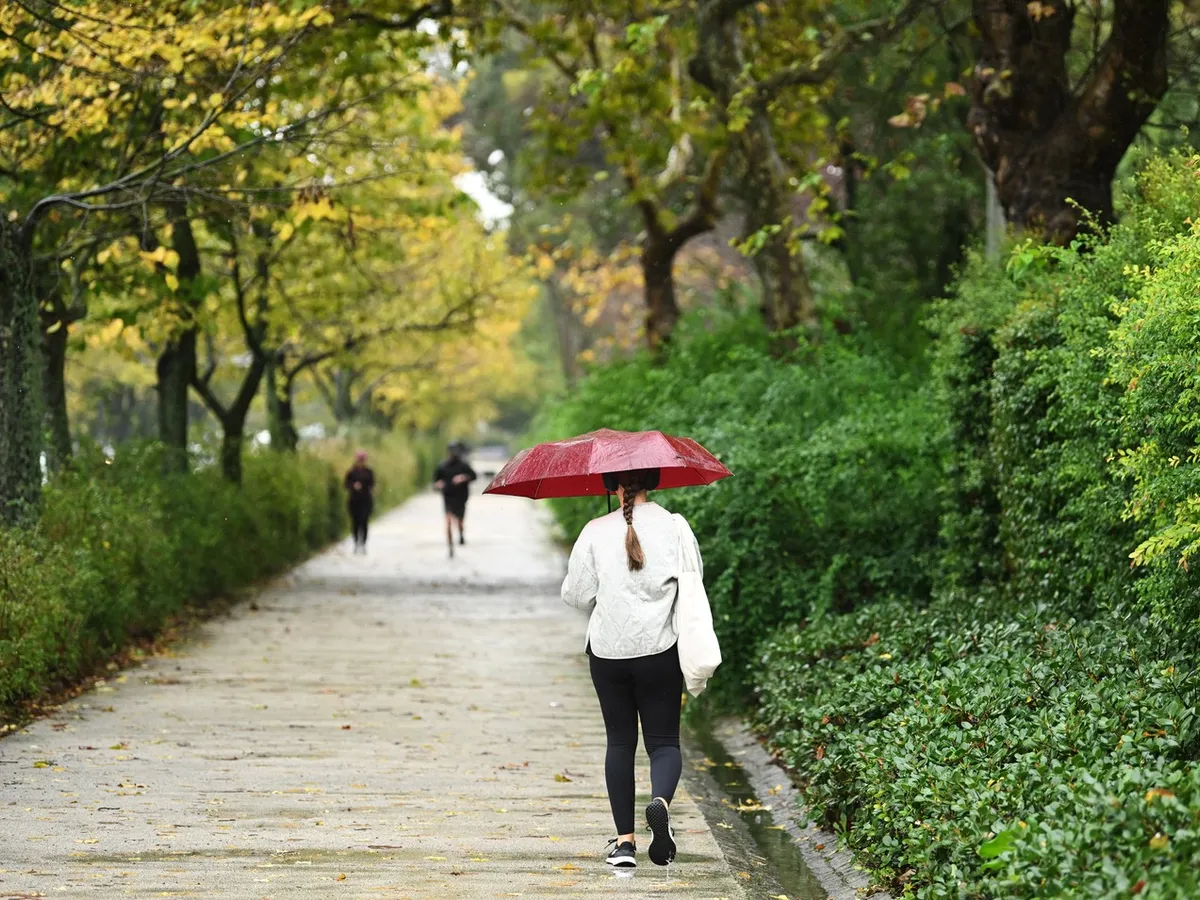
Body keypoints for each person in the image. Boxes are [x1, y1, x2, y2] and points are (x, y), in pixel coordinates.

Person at [560, 467, 699, 869]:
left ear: (610, 485)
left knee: (620, 743)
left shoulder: (594, 530)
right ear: (653, 481)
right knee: (664, 743)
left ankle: (624, 845)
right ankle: (660, 803)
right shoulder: (675, 526)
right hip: (660, 650)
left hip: (608, 654)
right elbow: (693, 579)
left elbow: (576, 594)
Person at [433, 441, 477, 557]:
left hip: (461, 497)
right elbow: (436, 482)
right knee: (448, 522)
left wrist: (463, 478)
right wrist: (438, 485)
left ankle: (461, 533)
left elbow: (474, 476)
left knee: (460, 522)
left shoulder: (464, 465)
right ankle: (450, 546)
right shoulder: (443, 466)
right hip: (448, 497)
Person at [344, 450, 375, 554]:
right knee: (355, 523)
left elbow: (372, 484)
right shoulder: (351, 472)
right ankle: (356, 542)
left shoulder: (369, 472)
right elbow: (345, 485)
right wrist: (353, 486)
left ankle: (363, 543)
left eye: (363, 460)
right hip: (354, 502)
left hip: (366, 501)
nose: (361, 462)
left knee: (364, 522)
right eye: (359, 460)